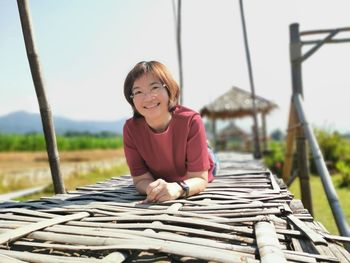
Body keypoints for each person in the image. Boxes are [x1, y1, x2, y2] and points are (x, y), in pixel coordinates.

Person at [123, 60, 215, 203]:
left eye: (154, 87)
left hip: (201, 169)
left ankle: (206, 147)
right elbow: (141, 179)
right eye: (138, 92)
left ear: (169, 89)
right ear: (132, 99)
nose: (147, 98)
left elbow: (199, 178)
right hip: (164, 176)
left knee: (210, 156)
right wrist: (153, 189)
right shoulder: (131, 129)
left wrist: (178, 188)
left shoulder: (191, 120)